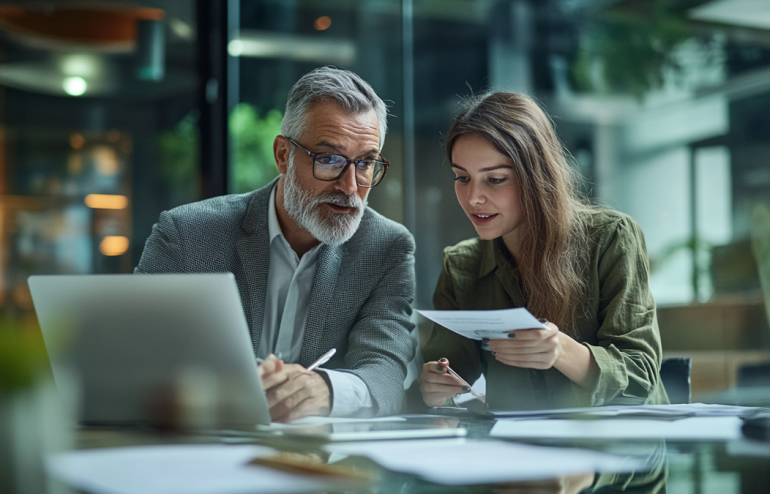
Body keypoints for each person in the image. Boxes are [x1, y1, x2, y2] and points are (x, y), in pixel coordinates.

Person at [137, 67, 416, 422]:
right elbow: (140, 352)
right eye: (329, 159)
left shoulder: (387, 247)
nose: (350, 186)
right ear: (283, 154)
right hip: (203, 444)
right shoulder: (186, 234)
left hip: (319, 463)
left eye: (365, 163)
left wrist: (325, 389)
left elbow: (387, 373)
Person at [418, 92, 668, 410]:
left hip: (621, 446)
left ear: (536, 177)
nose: (473, 198)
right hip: (518, 449)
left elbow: (641, 374)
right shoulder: (462, 265)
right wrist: (435, 385)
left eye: (494, 179)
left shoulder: (610, 238)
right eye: (462, 178)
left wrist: (561, 351)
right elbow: (448, 375)